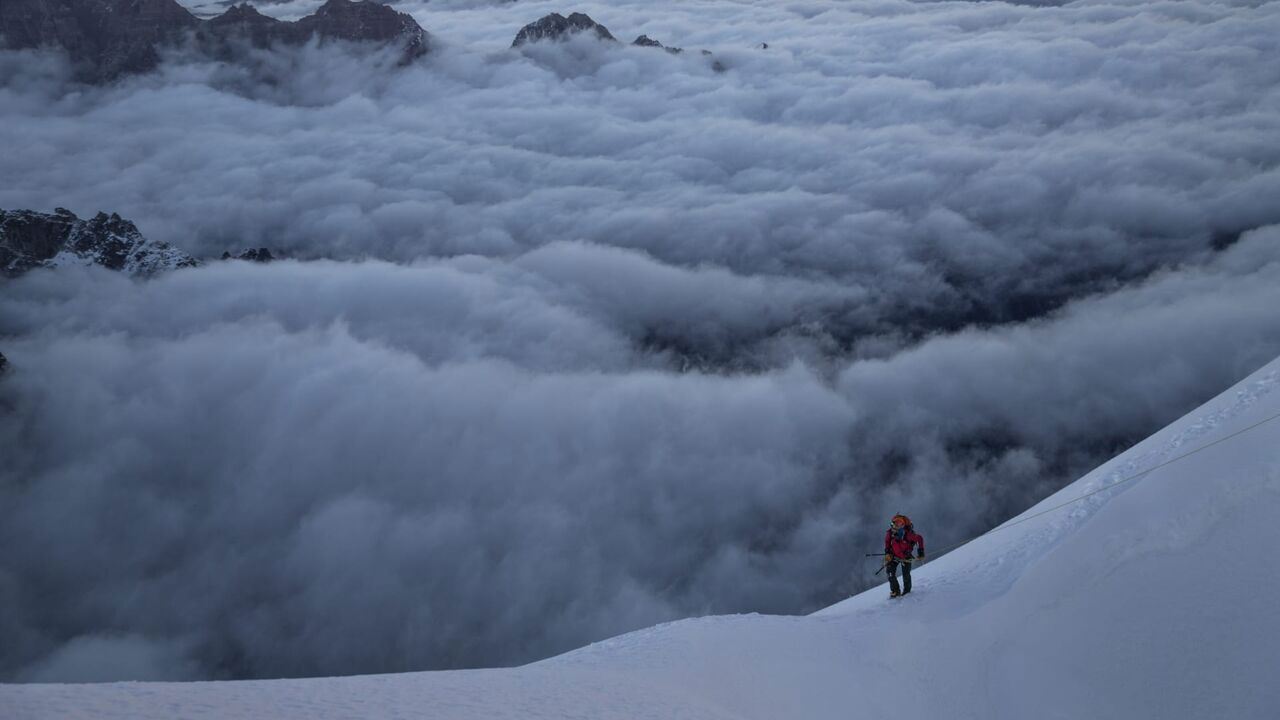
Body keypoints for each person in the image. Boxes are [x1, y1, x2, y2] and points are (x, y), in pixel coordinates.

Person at [884, 514, 925, 598]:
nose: (896, 526)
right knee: (890, 572)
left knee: (906, 574)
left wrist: (921, 552)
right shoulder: (890, 533)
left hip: (906, 557)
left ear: (903, 524)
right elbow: (887, 544)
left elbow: (919, 538)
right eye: (895, 523)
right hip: (894, 555)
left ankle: (906, 592)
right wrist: (887, 553)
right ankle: (896, 591)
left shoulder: (908, 534)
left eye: (899, 523)